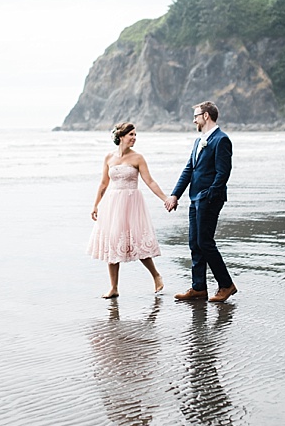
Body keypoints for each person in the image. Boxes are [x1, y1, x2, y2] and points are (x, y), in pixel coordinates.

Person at [165, 101, 238, 302]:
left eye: (196, 115)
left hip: (208, 199)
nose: (194, 119)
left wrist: (209, 195)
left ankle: (226, 285)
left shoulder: (222, 140)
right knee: (194, 243)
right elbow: (189, 169)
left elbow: (223, 173)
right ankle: (199, 288)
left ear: (206, 116)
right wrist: (175, 195)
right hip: (195, 198)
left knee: (205, 242)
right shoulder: (199, 141)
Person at [88, 121, 168, 298]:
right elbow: (103, 183)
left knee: (137, 242)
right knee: (112, 242)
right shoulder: (109, 157)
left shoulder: (137, 158)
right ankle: (113, 287)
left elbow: (150, 181)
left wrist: (165, 198)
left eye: (135, 135)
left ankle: (156, 276)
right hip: (112, 204)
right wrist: (95, 204)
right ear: (121, 137)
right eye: (131, 135)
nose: (134, 138)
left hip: (132, 204)